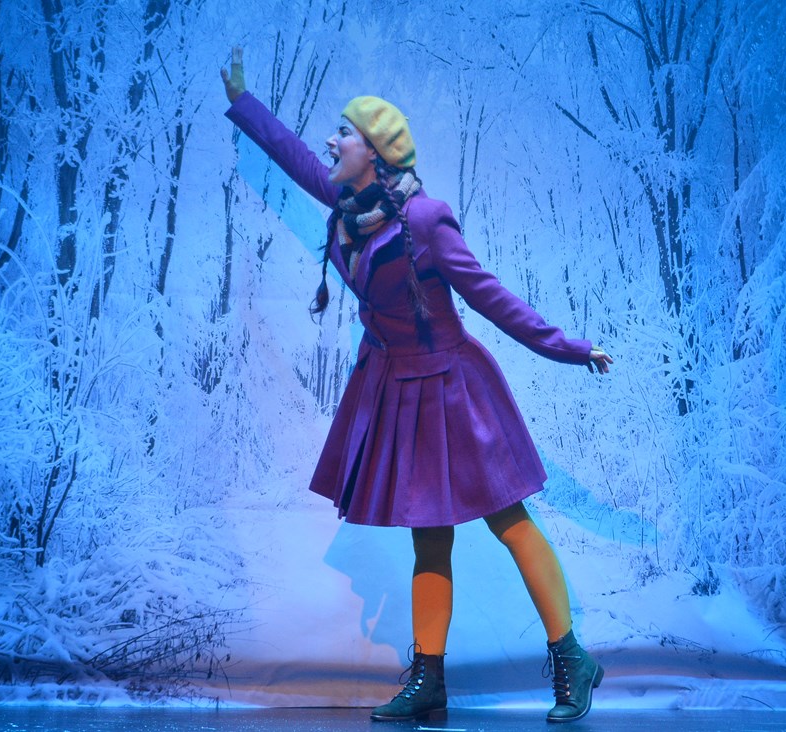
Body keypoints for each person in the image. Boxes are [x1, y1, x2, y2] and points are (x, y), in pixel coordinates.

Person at [220, 46, 612, 724]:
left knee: (509, 522)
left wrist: (570, 349)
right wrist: (244, 102)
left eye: (343, 132)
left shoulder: (426, 220)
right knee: (428, 537)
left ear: (374, 152)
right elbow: (295, 159)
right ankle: (429, 679)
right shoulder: (351, 205)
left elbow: (492, 298)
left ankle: (573, 659)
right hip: (396, 390)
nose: (331, 142)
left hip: (454, 391)